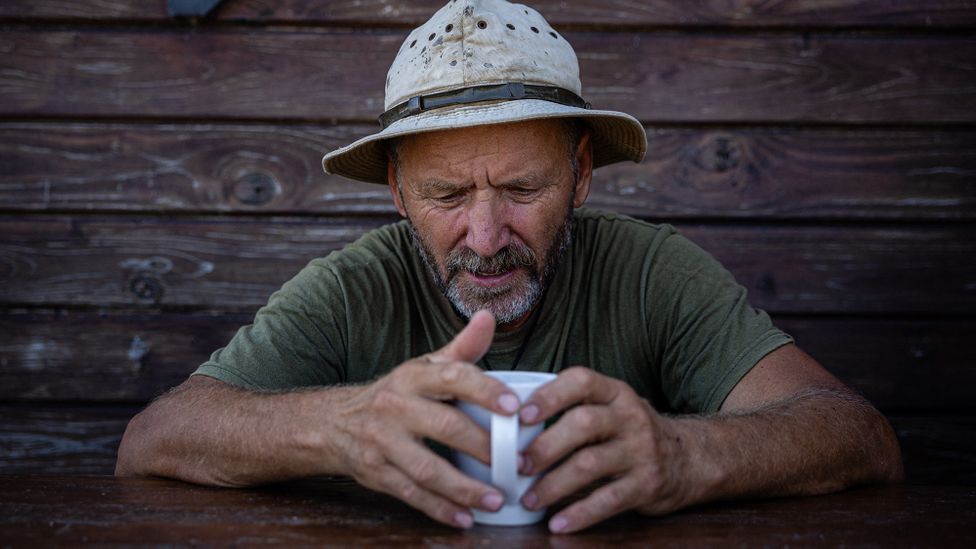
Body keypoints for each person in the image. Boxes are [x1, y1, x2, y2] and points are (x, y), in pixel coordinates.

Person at [115, 0, 903, 534]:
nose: (486, 237)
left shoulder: (649, 271)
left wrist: (686, 454)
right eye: (446, 194)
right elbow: (152, 440)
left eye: (523, 189)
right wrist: (341, 426)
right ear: (397, 193)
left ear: (581, 175)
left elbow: (860, 436)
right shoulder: (356, 287)